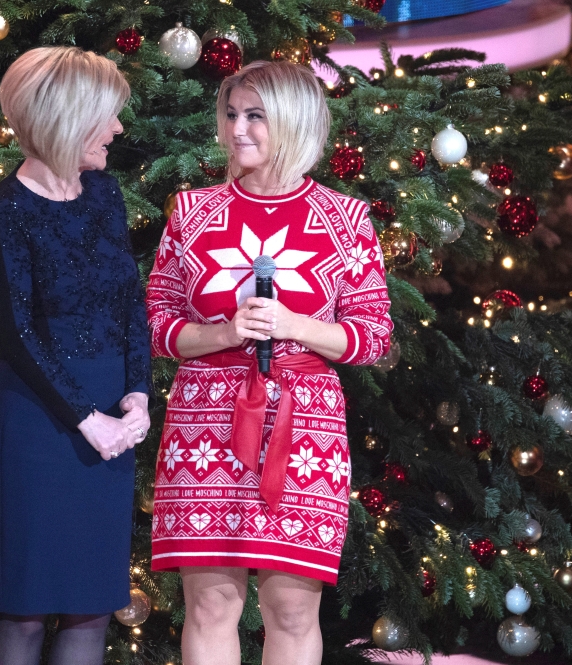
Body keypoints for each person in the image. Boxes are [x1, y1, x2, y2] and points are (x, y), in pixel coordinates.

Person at [146, 60, 393, 665]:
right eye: (231, 114)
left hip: (305, 429)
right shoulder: (190, 212)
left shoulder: (347, 219)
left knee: (292, 611)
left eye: (255, 116)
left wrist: (294, 326)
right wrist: (223, 332)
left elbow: (373, 337)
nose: (237, 130)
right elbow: (154, 324)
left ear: (295, 121)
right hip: (203, 425)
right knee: (209, 608)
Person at [0, 46, 151, 665]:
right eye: (108, 115)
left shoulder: (104, 193)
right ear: (68, 117)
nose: (118, 129)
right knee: (24, 610)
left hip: (112, 418)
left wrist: (137, 394)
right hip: (38, 419)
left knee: (91, 607)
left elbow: (131, 302)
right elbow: (17, 333)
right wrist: (86, 417)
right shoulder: (7, 208)